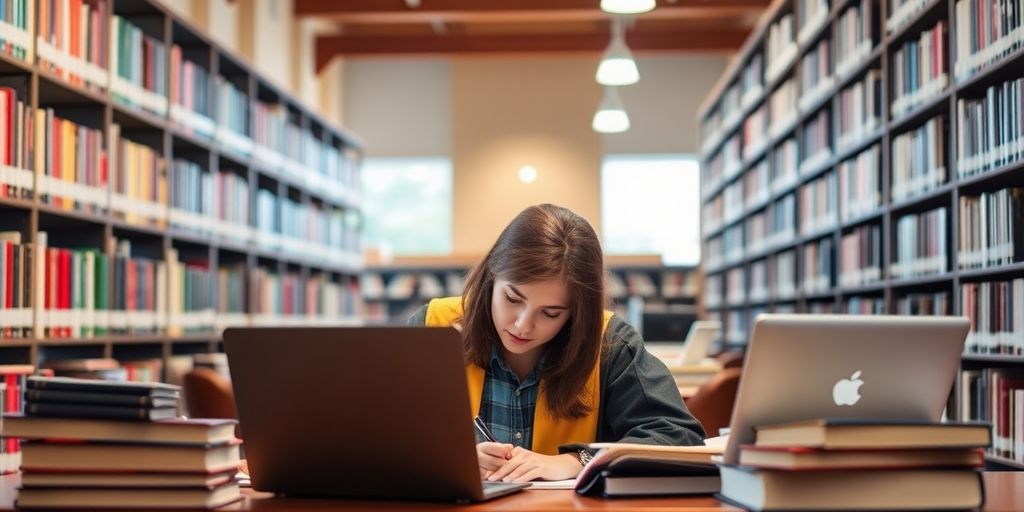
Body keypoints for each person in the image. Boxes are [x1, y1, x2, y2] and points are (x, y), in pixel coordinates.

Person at [408, 204, 705, 483]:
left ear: (577, 312)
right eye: (512, 298)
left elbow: (678, 435)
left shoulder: (609, 342)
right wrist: (455, 460)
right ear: (491, 278)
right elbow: (380, 435)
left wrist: (578, 460)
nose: (523, 325)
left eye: (551, 313)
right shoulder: (434, 325)